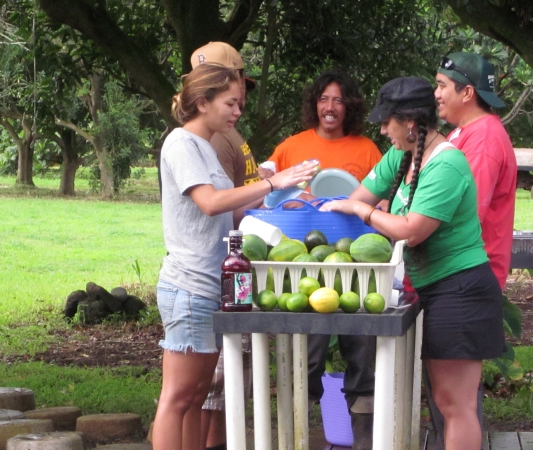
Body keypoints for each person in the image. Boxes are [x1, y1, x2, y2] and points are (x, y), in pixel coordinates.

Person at [320, 77, 505, 449]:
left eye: (386, 121)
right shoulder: (402, 155)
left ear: (409, 122)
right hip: (431, 288)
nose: (382, 130)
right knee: (443, 399)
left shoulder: (447, 162)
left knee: (456, 404)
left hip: (461, 289)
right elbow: (358, 197)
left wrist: (362, 211)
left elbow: (411, 230)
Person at [152, 63, 316, 450]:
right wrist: (271, 182)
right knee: (178, 398)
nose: (238, 111)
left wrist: (278, 201)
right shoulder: (181, 143)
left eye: (239, 103)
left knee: (197, 398)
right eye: (230, 103)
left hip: (211, 287)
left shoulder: (207, 147)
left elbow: (229, 212)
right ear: (202, 102)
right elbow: (210, 203)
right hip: (189, 286)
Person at [266, 69, 383, 449]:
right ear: (314, 104)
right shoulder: (292, 146)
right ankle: (299, 436)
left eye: (338, 100)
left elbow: (385, 199)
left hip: (357, 267)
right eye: (323, 99)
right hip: (306, 267)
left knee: (362, 355)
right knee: (308, 358)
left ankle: (363, 440)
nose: (330, 107)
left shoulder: (367, 149)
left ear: (350, 107)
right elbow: (266, 190)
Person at [425, 51, 517, 449]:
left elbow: (463, 213)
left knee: (455, 401)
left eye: (442, 86)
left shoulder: (484, 138)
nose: (435, 94)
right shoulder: (462, 134)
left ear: (467, 92)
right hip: (446, 276)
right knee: (446, 399)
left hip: (464, 279)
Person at [188, 41, 260, 450]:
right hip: (214, 271)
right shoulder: (207, 139)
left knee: (226, 381)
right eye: (232, 93)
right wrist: (270, 190)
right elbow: (216, 204)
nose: (239, 102)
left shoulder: (225, 132)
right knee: (206, 389)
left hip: (233, 265)